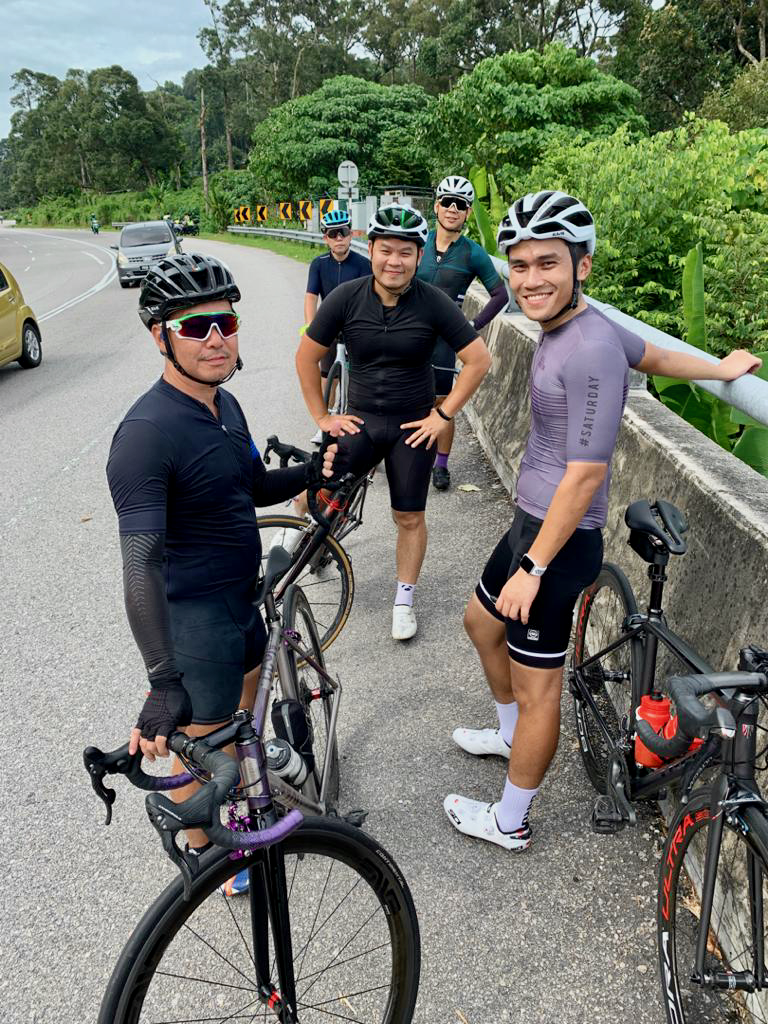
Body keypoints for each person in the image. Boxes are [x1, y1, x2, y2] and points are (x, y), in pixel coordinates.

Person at [444, 190, 762, 852]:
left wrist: (534, 568)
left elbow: (585, 475)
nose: (530, 279)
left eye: (548, 264)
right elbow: (653, 355)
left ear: (581, 265)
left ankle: (510, 820)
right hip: (531, 523)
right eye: (520, 265)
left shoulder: (588, 349)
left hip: (556, 545)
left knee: (539, 690)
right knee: (480, 623)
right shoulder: (583, 326)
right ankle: (510, 736)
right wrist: (717, 370)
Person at [107, 252, 336, 893]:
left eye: (225, 323)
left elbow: (252, 485)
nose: (215, 339)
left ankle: (239, 807)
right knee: (201, 747)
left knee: (240, 724)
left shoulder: (226, 405)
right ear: (160, 336)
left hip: (243, 600)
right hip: (195, 622)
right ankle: (211, 860)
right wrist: (162, 680)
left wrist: (314, 472)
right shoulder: (145, 435)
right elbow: (140, 565)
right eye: (194, 327)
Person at [296, 204, 491, 640]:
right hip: (360, 420)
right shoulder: (347, 298)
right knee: (317, 487)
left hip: (412, 427)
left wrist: (442, 416)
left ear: (419, 256)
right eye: (386, 250)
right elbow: (307, 357)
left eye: (405, 252)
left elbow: (479, 360)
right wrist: (323, 417)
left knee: (409, 516)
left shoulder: (433, 302)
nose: (394, 261)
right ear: (371, 251)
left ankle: (403, 601)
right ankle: (296, 530)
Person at [416, 175, 508, 491]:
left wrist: (472, 326)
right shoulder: (419, 242)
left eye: (460, 204)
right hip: (410, 332)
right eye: (447, 202)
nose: (452, 209)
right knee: (402, 393)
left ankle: (441, 465)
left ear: (468, 212)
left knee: (444, 402)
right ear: (436, 206)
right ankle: (403, 454)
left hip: (444, 339)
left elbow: (500, 294)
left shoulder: (472, 253)